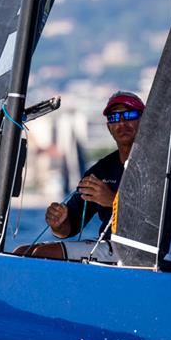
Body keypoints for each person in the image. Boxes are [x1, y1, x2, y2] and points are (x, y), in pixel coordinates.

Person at [14, 91, 145, 262]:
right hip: (108, 247)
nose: (121, 122)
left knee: (41, 254)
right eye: (114, 118)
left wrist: (112, 201)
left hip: (141, 250)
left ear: (144, 120)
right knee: (21, 252)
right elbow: (70, 227)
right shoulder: (100, 171)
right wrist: (59, 223)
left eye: (129, 115)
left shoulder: (160, 165)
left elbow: (158, 220)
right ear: (108, 127)